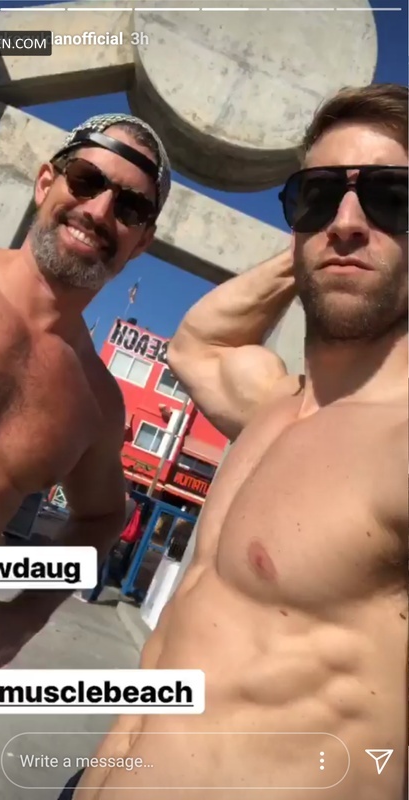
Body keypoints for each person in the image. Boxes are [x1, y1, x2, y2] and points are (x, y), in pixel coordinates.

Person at [66, 84, 408, 800]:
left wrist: (337, 230)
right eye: (317, 197)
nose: (347, 222)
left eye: (392, 197)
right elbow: (196, 343)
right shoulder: (272, 407)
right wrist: (320, 244)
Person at [0, 113, 171, 772]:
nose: (99, 210)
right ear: (45, 182)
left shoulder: (96, 401)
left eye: (129, 207)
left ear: (141, 242)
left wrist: (23, 615)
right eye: (87, 179)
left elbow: (103, 516)